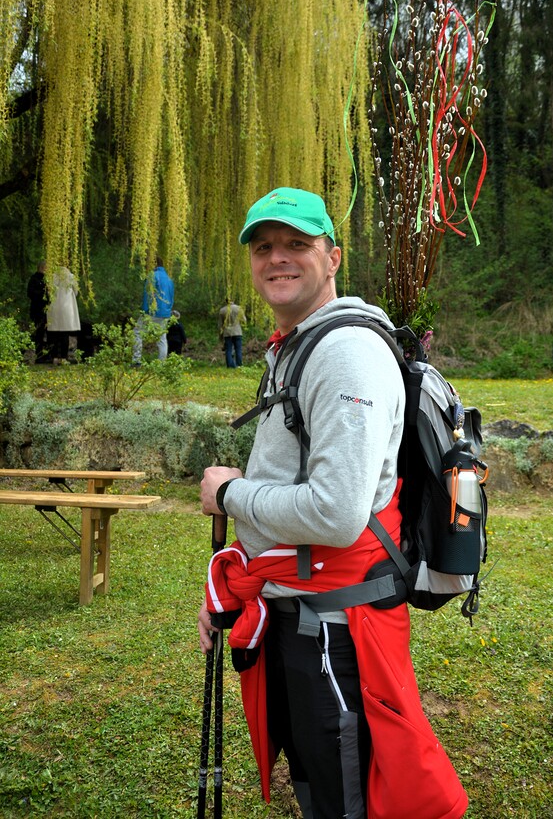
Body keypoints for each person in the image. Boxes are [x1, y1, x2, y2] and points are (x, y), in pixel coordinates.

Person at [198, 187, 468, 819]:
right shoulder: (299, 343)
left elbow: (338, 513)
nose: (277, 258)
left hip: (337, 630)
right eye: (264, 247)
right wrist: (239, 583)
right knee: (320, 786)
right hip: (299, 607)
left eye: (297, 244)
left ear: (333, 257)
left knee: (348, 798)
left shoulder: (346, 353)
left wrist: (230, 494)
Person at [132, 257, 174, 364]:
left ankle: (136, 360)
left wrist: (145, 310)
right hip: (165, 313)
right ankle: (161, 363)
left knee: (137, 332)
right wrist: (168, 311)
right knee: (162, 338)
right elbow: (171, 297)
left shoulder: (152, 276)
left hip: (152, 311)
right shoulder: (169, 279)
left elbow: (148, 295)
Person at [46, 266, 81, 365]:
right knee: (65, 333)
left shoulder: (52, 277)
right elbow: (76, 291)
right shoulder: (71, 277)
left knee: (54, 333)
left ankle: (54, 357)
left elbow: (48, 292)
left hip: (54, 306)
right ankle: (63, 357)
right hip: (67, 307)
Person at [27, 261, 49, 362]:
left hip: (48, 310)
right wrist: (44, 292)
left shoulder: (47, 279)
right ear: (42, 268)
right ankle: (39, 355)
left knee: (48, 333)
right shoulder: (34, 279)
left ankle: (47, 354)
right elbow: (30, 293)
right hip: (38, 309)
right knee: (39, 332)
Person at [218, 299, 246, 367]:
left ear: (226, 301)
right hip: (237, 331)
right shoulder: (238, 308)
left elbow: (220, 325)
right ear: (233, 300)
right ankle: (239, 365)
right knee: (238, 349)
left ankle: (230, 365)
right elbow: (244, 320)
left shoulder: (222, 310)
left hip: (227, 333)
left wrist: (220, 336)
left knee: (228, 349)